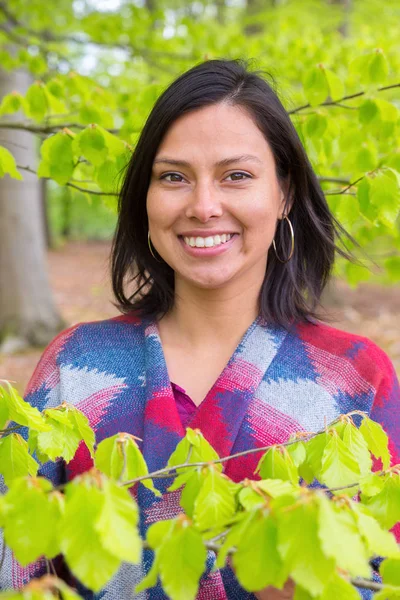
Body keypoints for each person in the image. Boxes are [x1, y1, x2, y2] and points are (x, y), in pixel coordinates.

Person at [2, 59, 399, 599]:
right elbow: (14, 565)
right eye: (173, 177)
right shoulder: (76, 366)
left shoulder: (353, 378)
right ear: (145, 198)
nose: (203, 206)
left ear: (283, 193)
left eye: (237, 175)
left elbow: (385, 571)